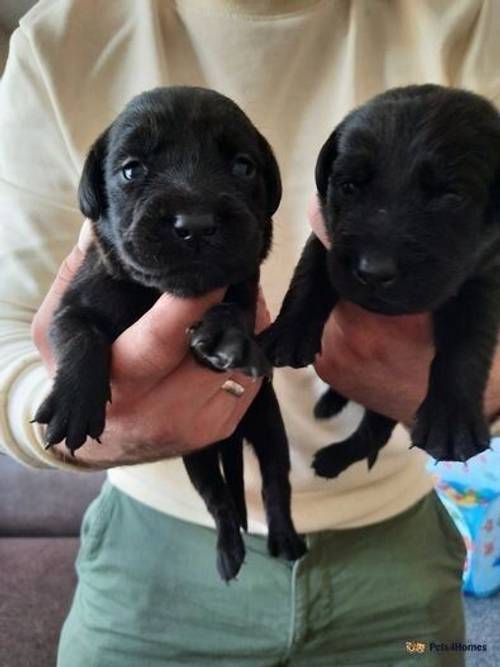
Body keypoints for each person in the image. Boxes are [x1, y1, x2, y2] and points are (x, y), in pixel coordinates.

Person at [1, 1, 499, 665]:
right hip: (150, 553)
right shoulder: (59, 36)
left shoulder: (476, 18)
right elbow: (8, 320)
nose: (198, 212)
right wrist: (58, 404)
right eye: (133, 171)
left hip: (398, 552)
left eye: (240, 170)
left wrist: (483, 390)